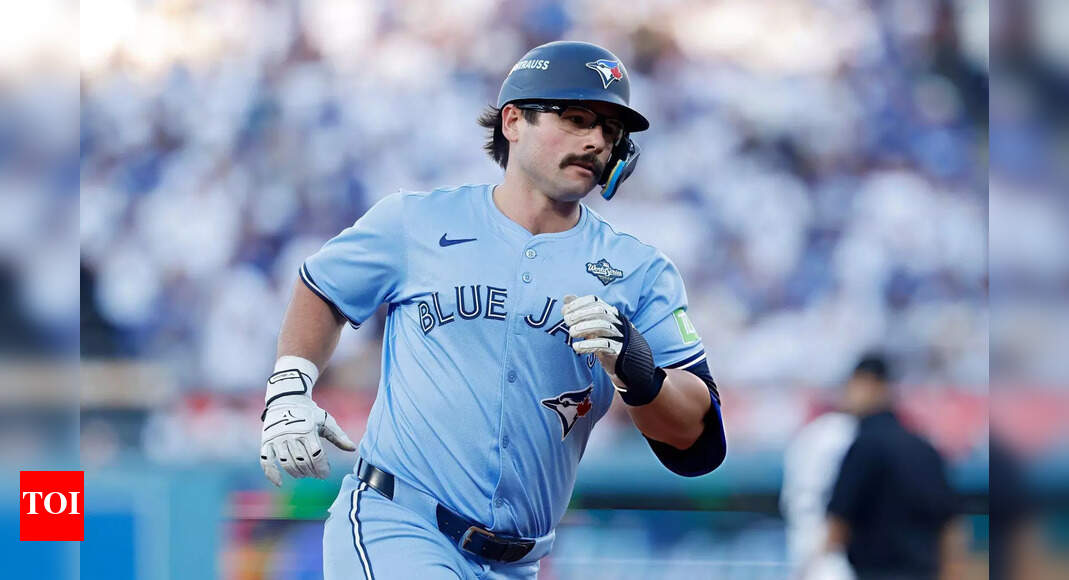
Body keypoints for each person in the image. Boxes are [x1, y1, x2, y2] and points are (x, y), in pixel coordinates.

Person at [257, 41, 727, 580]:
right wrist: (289, 386)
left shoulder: (639, 270)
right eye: (576, 118)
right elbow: (323, 287)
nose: (596, 140)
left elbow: (699, 440)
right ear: (513, 121)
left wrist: (638, 373)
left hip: (517, 562)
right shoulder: (417, 222)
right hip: (400, 525)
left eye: (610, 131)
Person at [816, 354, 965, 580]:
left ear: (870, 384)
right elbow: (950, 525)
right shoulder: (923, 446)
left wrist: (810, 567)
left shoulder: (864, 445)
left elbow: (839, 521)